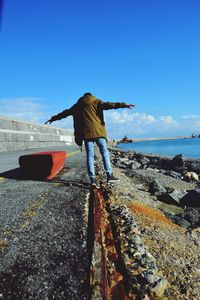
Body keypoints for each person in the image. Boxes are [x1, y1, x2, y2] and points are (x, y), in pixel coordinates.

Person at [45, 93, 135, 186]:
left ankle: (92, 179)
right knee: (104, 153)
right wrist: (124, 105)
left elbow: (65, 113)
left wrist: (53, 119)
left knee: (90, 156)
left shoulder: (77, 106)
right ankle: (109, 175)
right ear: (91, 96)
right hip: (98, 132)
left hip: (86, 134)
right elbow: (110, 105)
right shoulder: (96, 102)